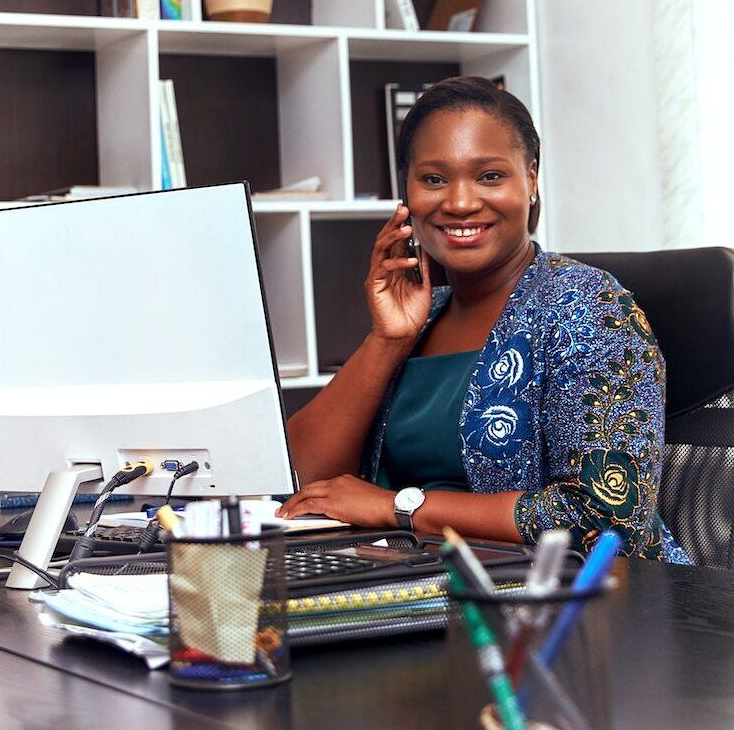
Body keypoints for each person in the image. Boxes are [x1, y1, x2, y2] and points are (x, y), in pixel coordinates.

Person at [278, 76, 690, 564]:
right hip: (414, 589)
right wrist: (387, 339)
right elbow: (300, 483)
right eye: (433, 179)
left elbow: (605, 519)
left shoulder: (589, 308)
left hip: (569, 610)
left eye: (490, 176)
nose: (459, 202)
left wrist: (398, 507)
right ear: (405, 191)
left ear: (531, 180)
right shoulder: (422, 314)